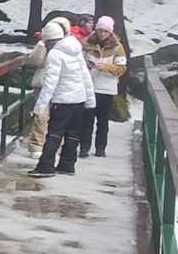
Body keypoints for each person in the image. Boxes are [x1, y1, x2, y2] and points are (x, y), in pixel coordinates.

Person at [30, 20, 92, 178]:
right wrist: (90, 100)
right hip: (79, 100)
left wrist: (39, 107)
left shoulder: (55, 54)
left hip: (62, 101)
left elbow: (50, 83)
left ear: (49, 40)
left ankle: (46, 166)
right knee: (73, 134)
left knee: (54, 134)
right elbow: (85, 76)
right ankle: (67, 165)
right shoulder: (76, 49)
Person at [83, 16, 128, 158]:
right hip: (89, 86)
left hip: (106, 88)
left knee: (102, 121)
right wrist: (87, 66)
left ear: (110, 32)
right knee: (87, 119)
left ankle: (100, 149)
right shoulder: (87, 44)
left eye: (105, 31)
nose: (102, 34)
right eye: (100, 30)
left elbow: (121, 69)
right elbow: (80, 61)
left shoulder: (118, 47)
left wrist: (106, 67)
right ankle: (84, 148)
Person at [23, 17, 66, 152]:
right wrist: (41, 46)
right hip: (44, 83)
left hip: (55, 84)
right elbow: (35, 61)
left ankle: (45, 145)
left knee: (49, 115)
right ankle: (40, 145)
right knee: (42, 115)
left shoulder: (66, 47)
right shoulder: (43, 46)